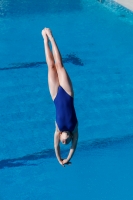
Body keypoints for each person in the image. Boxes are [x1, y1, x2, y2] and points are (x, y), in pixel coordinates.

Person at [41, 28, 78, 167]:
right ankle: (51, 36)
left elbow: (56, 148)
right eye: (66, 143)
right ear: (70, 138)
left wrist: (59, 159)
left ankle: (45, 40)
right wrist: (67, 159)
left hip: (55, 95)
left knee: (51, 67)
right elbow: (73, 148)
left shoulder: (57, 131)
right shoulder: (75, 129)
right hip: (68, 93)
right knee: (59, 65)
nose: (64, 142)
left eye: (62, 142)